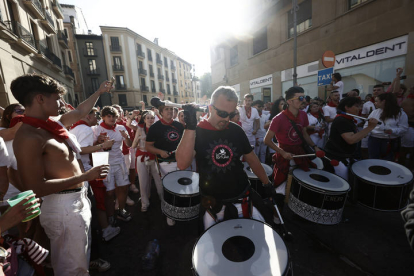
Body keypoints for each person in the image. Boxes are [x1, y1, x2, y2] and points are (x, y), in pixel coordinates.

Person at [12, 74, 111, 275]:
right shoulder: (28, 136)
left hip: (75, 200)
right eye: (57, 98)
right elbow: (35, 187)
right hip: (62, 206)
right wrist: (85, 177)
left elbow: (81, 110)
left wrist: (99, 92)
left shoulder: (51, 124)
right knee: (71, 269)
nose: (61, 103)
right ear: (40, 98)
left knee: (80, 263)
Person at [176, 86, 273, 230]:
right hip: (213, 203)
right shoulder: (197, 131)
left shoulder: (236, 130)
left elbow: (252, 158)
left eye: (231, 113)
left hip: (242, 197)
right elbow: (183, 164)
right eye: (222, 113)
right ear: (210, 108)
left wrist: (267, 183)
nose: (226, 119)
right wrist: (190, 127)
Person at [264, 86, 320, 204]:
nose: (304, 100)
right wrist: (283, 152)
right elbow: (267, 140)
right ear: (289, 101)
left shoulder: (303, 115)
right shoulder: (278, 118)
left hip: (300, 153)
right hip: (284, 155)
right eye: (300, 98)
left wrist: (314, 146)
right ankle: (277, 217)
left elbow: (304, 134)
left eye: (304, 97)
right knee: (280, 190)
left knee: (301, 186)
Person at [145, 104, 185, 226]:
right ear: (161, 112)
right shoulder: (155, 127)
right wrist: (160, 152)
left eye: (171, 109)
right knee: (168, 189)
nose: (169, 111)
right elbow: (148, 146)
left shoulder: (179, 125)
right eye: (166, 109)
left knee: (181, 187)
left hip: (181, 161)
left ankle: (180, 210)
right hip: (165, 163)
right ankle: (169, 214)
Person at [93, 106, 133, 223]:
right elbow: (90, 146)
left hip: (119, 160)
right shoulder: (97, 129)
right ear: (103, 117)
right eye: (108, 116)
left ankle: (121, 210)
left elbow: (129, 144)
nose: (111, 119)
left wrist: (127, 138)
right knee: (109, 192)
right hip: (102, 161)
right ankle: (110, 216)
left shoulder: (121, 127)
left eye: (113, 116)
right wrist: (98, 141)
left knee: (124, 187)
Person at [324, 97, 378, 180]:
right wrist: (370, 127)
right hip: (337, 158)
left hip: (345, 156)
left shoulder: (348, 119)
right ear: (347, 107)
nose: (359, 109)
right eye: (356, 106)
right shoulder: (341, 120)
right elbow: (351, 140)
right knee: (341, 183)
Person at [132, 111, 163, 212]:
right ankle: (144, 203)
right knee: (143, 181)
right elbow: (133, 145)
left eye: (152, 118)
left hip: (155, 158)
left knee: (159, 180)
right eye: (148, 118)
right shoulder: (140, 129)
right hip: (142, 157)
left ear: (154, 119)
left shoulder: (158, 129)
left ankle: (163, 200)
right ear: (144, 120)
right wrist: (139, 142)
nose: (150, 120)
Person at [364, 93, 408, 161]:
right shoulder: (374, 112)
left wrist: (392, 131)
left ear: (384, 101)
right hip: (374, 140)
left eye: (376, 101)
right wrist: (366, 133)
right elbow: (367, 124)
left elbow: (404, 128)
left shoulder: (400, 113)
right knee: (373, 160)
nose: (374, 103)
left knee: (388, 161)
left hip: (390, 141)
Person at [112, 104, 136, 205]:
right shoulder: (105, 126)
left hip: (126, 154)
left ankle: (125, 195)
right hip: (112, 157)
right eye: (115, 111)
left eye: (119, 111)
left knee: (126, 176)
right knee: (117, 179)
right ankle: (119, 198)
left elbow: (130, 141)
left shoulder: (126, 124)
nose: (117, 114)